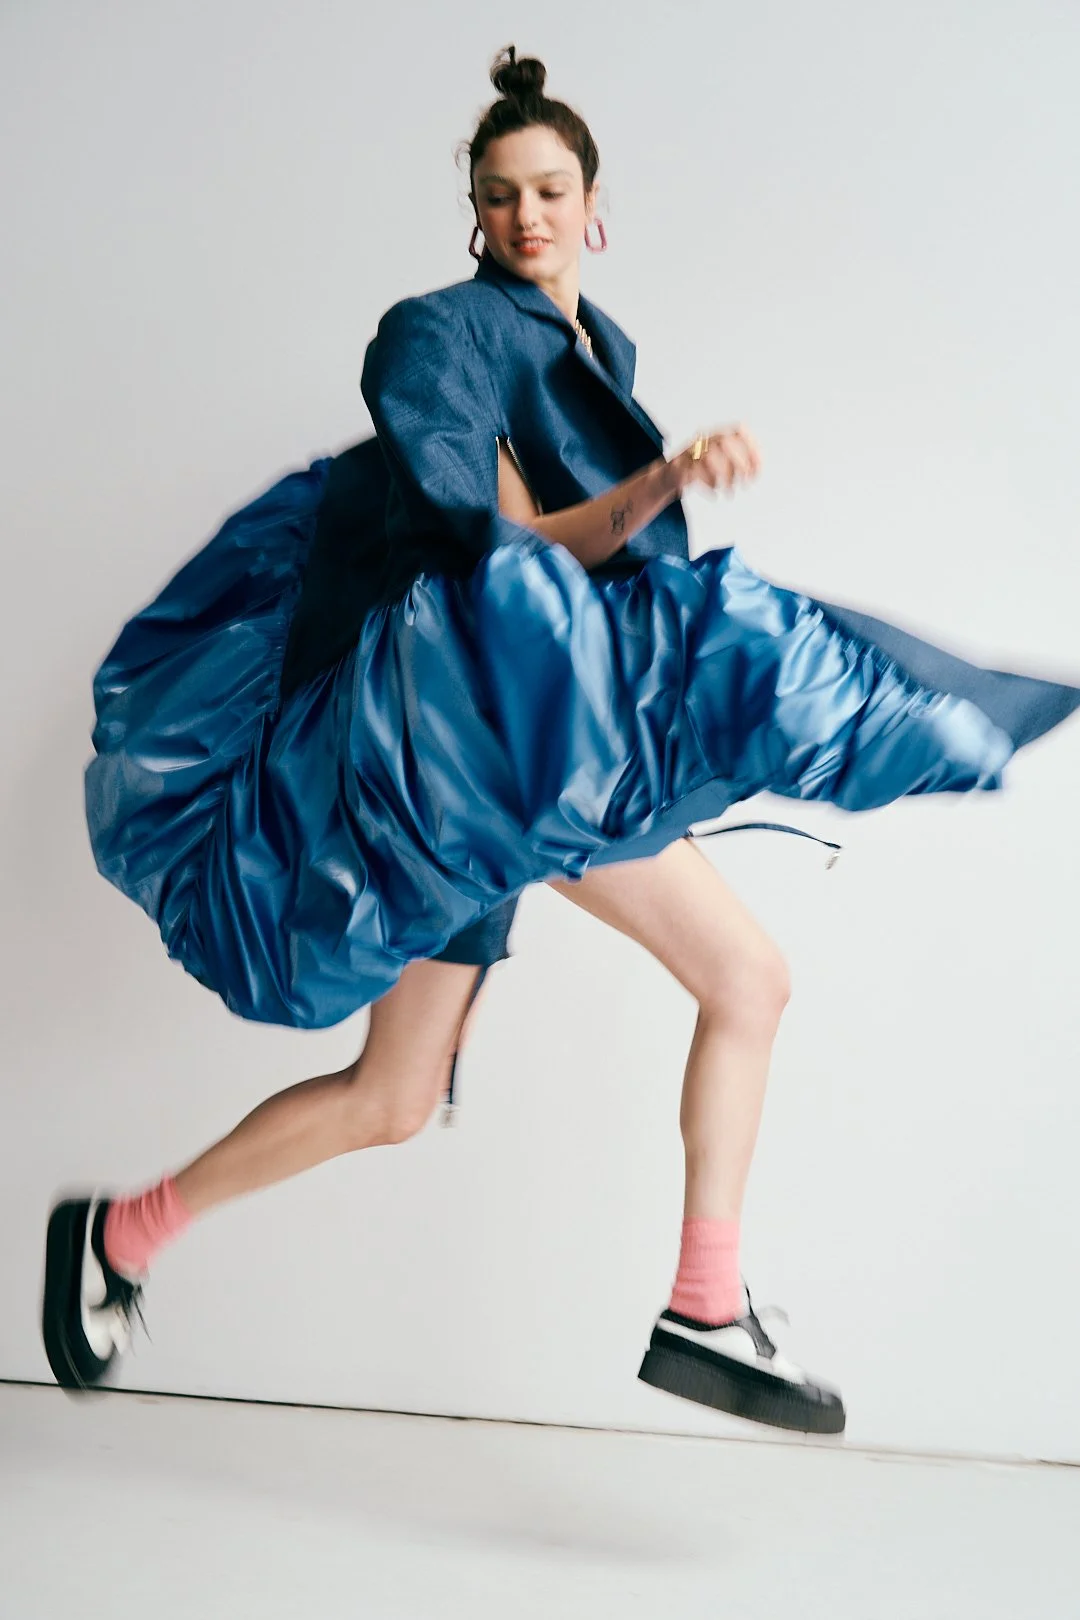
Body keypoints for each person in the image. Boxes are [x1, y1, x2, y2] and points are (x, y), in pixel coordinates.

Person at [42, 46, 1077, 1438]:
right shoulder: (445, 335)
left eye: (550, 190)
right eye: (500, 194)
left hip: (512, 759)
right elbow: (512, 552)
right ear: (475, 214)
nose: (527, 214)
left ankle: (118, 1235)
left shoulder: (595, 353)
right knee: (744, 980)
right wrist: (664, 480)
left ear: (597, 210)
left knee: (395, 1097)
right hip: (486, 751)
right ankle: (705, 1305)